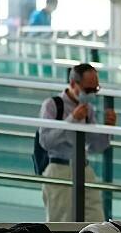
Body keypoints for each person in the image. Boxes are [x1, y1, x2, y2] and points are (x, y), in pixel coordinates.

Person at [37, 63, 116, 223]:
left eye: (96, 90)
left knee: (96, 223)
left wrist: (108, 128)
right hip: (60, 169)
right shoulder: (52, 105)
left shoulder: (89, 109)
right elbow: (45, 141)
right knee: (62, 224)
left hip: (84, 168)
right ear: (73, 84)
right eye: (88, 90)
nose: (92, 94)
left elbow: (96, 146)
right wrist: (72, 119)